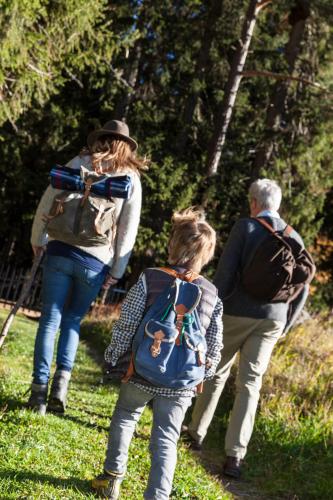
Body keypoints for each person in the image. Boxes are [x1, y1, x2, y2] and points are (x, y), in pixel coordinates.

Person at [92, 208, 223, 500]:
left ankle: (111, 480)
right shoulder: (212, 293)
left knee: (126, 416)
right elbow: (214, 345)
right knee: (166, 439)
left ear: (173, 245)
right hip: (182, 382)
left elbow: (127, 323)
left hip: (140, 370)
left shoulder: (150, 278)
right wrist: (202, 375)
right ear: (207, 254)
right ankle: (157, 496)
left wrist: (114, 356)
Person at [183, 178, 311, 478]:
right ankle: (235, 457)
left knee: (216, 371)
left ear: (254, 202)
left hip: (236, 312)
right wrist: (285, 324)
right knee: (250, 384)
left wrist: (211, 310)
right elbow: (303, 286)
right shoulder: (295, 236)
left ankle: (196, 434)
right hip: (273, 319)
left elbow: (226, 272)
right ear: (276, 204)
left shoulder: (246, 227)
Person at [27, 120, 148, 415]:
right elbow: (127, 230)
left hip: (59, 250)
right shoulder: (129, 177)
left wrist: (38, 239)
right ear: (126, 145)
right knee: (71, 321)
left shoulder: (79, 161)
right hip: (94, 261)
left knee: (49, 320)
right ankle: (61, 387)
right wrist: (117, 270)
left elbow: (48, 200)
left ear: (101, 139)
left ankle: (38, 392)